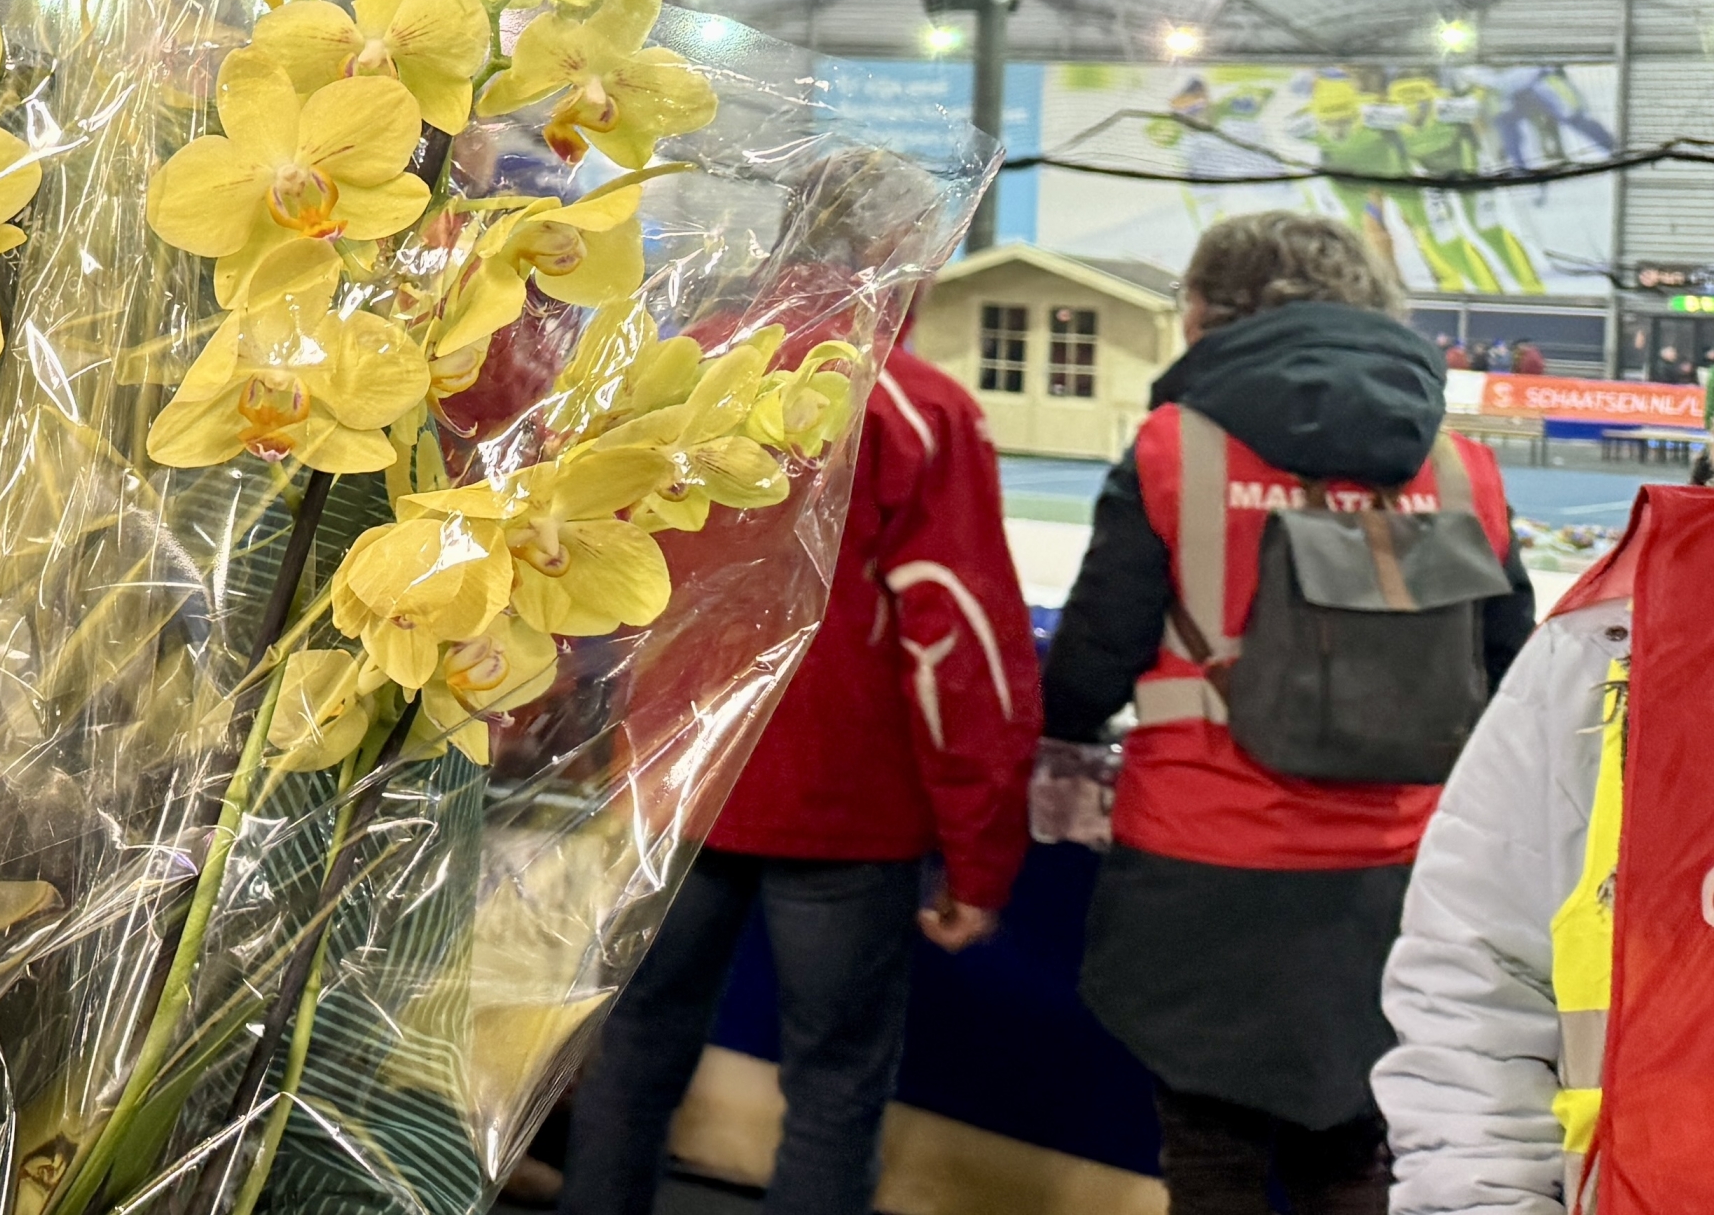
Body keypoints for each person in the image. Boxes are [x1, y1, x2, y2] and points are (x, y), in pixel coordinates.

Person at [558, 164, 1043, 1215]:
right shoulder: (913, 407)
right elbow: (959, 649)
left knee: (634, 1046)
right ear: (902, 251)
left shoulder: (678, 369)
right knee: (833, 1081)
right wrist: (981, 850)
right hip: (842, 805)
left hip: (676, 777)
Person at [1043, 212, 1533, 1215]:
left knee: (1209, 1152)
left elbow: (1090, 666)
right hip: (1397, 870)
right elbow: (1508, 673)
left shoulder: (1172, 450)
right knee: (1355, 1154)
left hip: (1200, 858)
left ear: (1211, 312)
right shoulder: (1461, 468)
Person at [1368, 509, 1638, 1212]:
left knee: (1219, 1142)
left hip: (1216, 836)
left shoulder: (1601, 636)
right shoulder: (1612, 635)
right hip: (1405, 829)